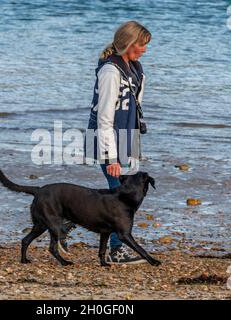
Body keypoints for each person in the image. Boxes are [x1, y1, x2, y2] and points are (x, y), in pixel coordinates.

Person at [85, 21, 152, 264]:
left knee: (126, 194)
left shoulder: (135, 67)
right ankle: (116, 250)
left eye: (145, 45)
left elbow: (135, 107)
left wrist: (133, 148)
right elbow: (104, 117)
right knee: (120, 198)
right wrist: (111, 157)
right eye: (141, 44)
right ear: (127, 42)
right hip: (109, 140)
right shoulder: (110, 71)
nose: (144, 49)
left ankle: (70, 219)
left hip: (128, 139)